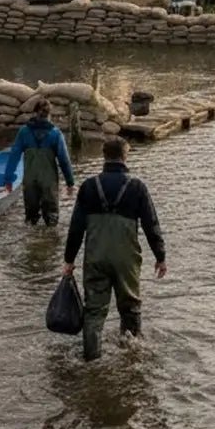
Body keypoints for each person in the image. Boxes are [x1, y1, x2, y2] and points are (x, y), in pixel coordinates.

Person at [62, 136, 166, 361]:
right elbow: (151, 224)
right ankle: (132, 355)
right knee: (130, 306)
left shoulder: (89, 186)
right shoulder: (137, 186)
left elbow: (76, 227)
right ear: (125, 156)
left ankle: (92, 360)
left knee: (94, 311)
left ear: (104, 155)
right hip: (126, 259)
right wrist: (160, 256)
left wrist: (69, 259)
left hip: (95, 256)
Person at [3, 97, 75, 225]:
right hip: (49, 181)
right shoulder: (55, 133)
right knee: (51, 219)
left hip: (30, 180)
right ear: (49, 115)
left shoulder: (24, 132)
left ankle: (30, 243)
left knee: (31, 219)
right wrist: (70, 182)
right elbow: (64, 160)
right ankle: (49, 242)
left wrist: (8, 179)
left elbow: (14, 156)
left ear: (34, 113)